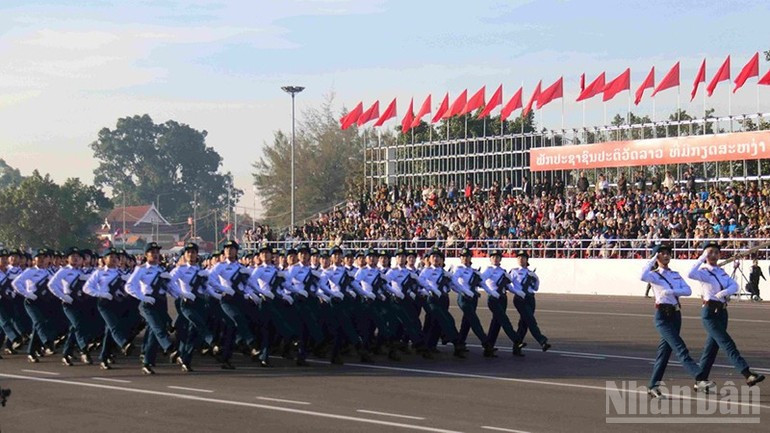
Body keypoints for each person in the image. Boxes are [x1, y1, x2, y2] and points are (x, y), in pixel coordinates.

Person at [640, 243, 714, 398]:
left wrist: (672, 291)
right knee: (680, 347)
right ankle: (699, 377)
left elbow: (687, 290)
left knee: (665, 352)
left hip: (675, 315)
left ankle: (653, 385)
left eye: (667, 253)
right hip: (662, 316)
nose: (666, 256)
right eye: (662, 253)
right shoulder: (653, 274)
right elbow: (642, 275)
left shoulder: (675, 274)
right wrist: (653, 257)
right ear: (657, 257)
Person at [687, 242, 765, 389]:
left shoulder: (720, 272)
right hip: (709, 312)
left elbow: (734, 285)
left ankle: (700, 380)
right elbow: (690, 273)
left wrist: (722, 293)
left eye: (716, 252)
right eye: (710, 252)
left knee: (712, 348)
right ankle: (747, 373)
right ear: (704, 254)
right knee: (727, 343)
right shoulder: (703, 271)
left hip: (722, 311)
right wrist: (702, 257)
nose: (713, 255)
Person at [125, 242, 179, 375]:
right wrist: (142, 297)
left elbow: (170, 288)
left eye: (157, 252)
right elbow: (129, 286)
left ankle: (147, 362)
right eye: (152, 252)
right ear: (146, 255)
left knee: (152, 334)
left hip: (160, 303)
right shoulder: (141, 269)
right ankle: (169, 347)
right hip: (147, 303)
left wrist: (180, 295)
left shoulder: (161, 270)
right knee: (157, 327)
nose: (155, 255)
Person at [480, 249, 525, 357]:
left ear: (500, 259)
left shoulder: (503, 271)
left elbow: (508, 285)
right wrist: (490, 291)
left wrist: (517, 292)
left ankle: (488, 347)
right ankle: (517, 340)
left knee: (496, 323)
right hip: (494, 298)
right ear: (490, 259)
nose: (495, 259)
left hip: (503, 298)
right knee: (504, 320)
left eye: (497, 257)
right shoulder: (489, 270)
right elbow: (481, 281)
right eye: (493, 257)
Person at [451, 248, 491, 354]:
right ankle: (486, 342)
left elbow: (482, 283)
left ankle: (460, 344)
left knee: (467, 322)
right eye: (463, 256)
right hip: (464, 298)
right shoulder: (458, 269)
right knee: (474, 320)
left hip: (473, 298)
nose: (465, 258)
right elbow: (453, 282)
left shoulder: (473, 271)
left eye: (467, 256)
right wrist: (463, 291)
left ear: (470, 258)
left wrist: (491, 291)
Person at [510, 250, 550, 354]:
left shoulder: (530, 273)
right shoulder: (514, 271)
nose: (520, 259)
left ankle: (516, 346)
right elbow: (507, 284)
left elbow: (535, 288)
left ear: (527, 260)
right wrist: (517, 292)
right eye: (518, 258)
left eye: (523, 258)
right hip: (520, 299)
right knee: (531, 320)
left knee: (524, 323)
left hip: (530, 298)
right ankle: (542, 341)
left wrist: (536, 279)